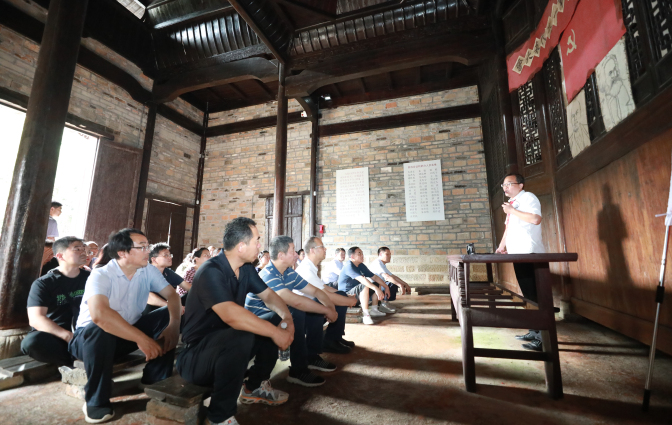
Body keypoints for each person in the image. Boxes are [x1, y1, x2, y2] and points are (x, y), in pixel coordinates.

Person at [177, 218, 294, 425]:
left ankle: (253, 387)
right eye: (256, 241)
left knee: (272, 318)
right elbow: (231, 315)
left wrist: (287, 318)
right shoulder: (211, 271)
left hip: (228, 349)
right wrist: (276, 333)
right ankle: (220, 417)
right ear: (241, 246)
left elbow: (268, 296)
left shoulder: (246, 268)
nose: (259, 246)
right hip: (196, 357)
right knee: (243, 333)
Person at [69, 228, 181, 423]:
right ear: (122, 253)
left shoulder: (147, 270)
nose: (148, 251)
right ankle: (95, 400)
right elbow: (100, 315)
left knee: (168, 314)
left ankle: (155, 377)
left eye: (148, 246)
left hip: (126, 335)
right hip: (89, 341)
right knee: (99, 328)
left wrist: (173, 326)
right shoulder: (101, 275)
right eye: (142, 247)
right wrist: (142, 339)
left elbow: (173, 296)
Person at [246, 235, 338, 387]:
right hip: (257, 323)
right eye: (293, 250)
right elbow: (295, 301)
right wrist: (327, 311)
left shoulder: (288, 272)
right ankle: (298, 370)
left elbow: (316, 291)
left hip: (277, 317)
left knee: (312, 307)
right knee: (297, 311)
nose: (296, 254)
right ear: (281, 255)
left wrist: (330, 308)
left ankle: (311, 356)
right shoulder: (268, 274)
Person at [495, 173, 545, 352]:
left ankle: (543, 338)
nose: (505, 187)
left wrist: (512, 211)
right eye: (503, 185)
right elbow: (508, 228)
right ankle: (534, 331)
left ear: (521, 185)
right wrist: (501, 247)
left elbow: (535, 219)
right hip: (517, 254)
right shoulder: (512, 203)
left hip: (530, 253)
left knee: (535, 296)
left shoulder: (528, 198)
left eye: (509, 184)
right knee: (528, 295)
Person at [21, 237, 89, 367]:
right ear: (60, 256)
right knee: (32, 342)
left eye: (84, 249)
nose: (83, 252)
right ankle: (75, 361)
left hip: (86, 333)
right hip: (58, 335)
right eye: (77, 249)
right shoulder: (44, 283)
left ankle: (83, 356)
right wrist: (68, 336)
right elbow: (36, 319)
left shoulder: (91, 278)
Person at [295, 236, 358, 354]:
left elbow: (324, 287)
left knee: (341, 294)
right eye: (322, 247)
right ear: (312, 250)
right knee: (322, 302)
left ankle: (334, 338)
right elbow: (325, 295)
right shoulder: (306, 269)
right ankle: (314, 353)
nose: (325, 249)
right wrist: (350, 301)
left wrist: (346, 297)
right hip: (301, 316)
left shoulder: (311, 266)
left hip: (308, 310)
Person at [338, 247, 390, 325]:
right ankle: (366, 315)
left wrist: (386, 287)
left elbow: (374, 277)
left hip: (355, 296)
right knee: (365, 285)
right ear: (352, 256)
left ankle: (374, 310)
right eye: (359, 254)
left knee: (376, 283)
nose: (362, 255)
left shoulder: (361, 265)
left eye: (362, 253)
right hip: (346, 297)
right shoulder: (348, 266)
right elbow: (361, 279)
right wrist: (376, 289)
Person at [147, 243, 191, 311]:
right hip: (147, 312)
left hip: (163, 308)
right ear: (154, 260)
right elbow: (148, 297)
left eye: (170, 255)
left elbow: (188, 287)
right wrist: (172, 306)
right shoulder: (145, 273)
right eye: (166, 255)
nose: (170, 257)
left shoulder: (167, 272)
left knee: (190, 296)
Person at [367, 247, 412, 313]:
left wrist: (405, 284)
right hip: (371, 291)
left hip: (377, 288)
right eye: (387, 254)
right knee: (391, 284)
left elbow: (392, 276)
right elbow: (387, 277)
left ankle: (385, 303)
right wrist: (400, 285)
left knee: (393, 282)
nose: (389, 256)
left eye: (390, 254)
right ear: (380, 254)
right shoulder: (377, 263)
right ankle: (383, 305)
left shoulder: (382, 264)